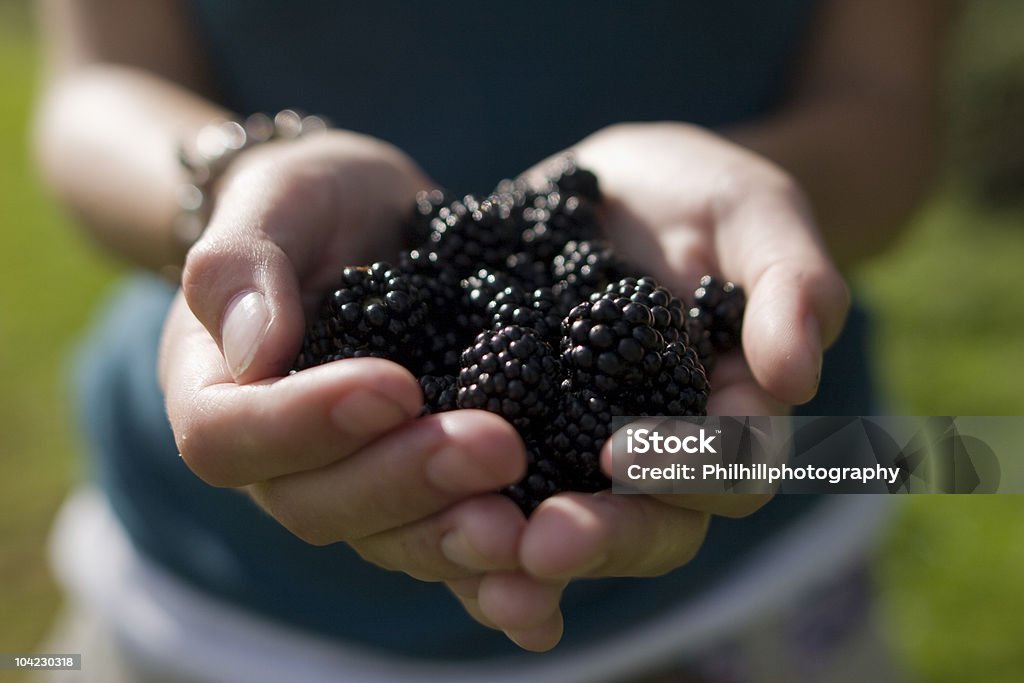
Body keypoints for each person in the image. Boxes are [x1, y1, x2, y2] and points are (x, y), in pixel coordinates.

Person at [33, 0, 948, 680]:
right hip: (213, 589)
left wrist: (763, 198)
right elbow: (90, 90)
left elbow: (888, 111)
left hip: (761, 561)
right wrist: (237, 180)